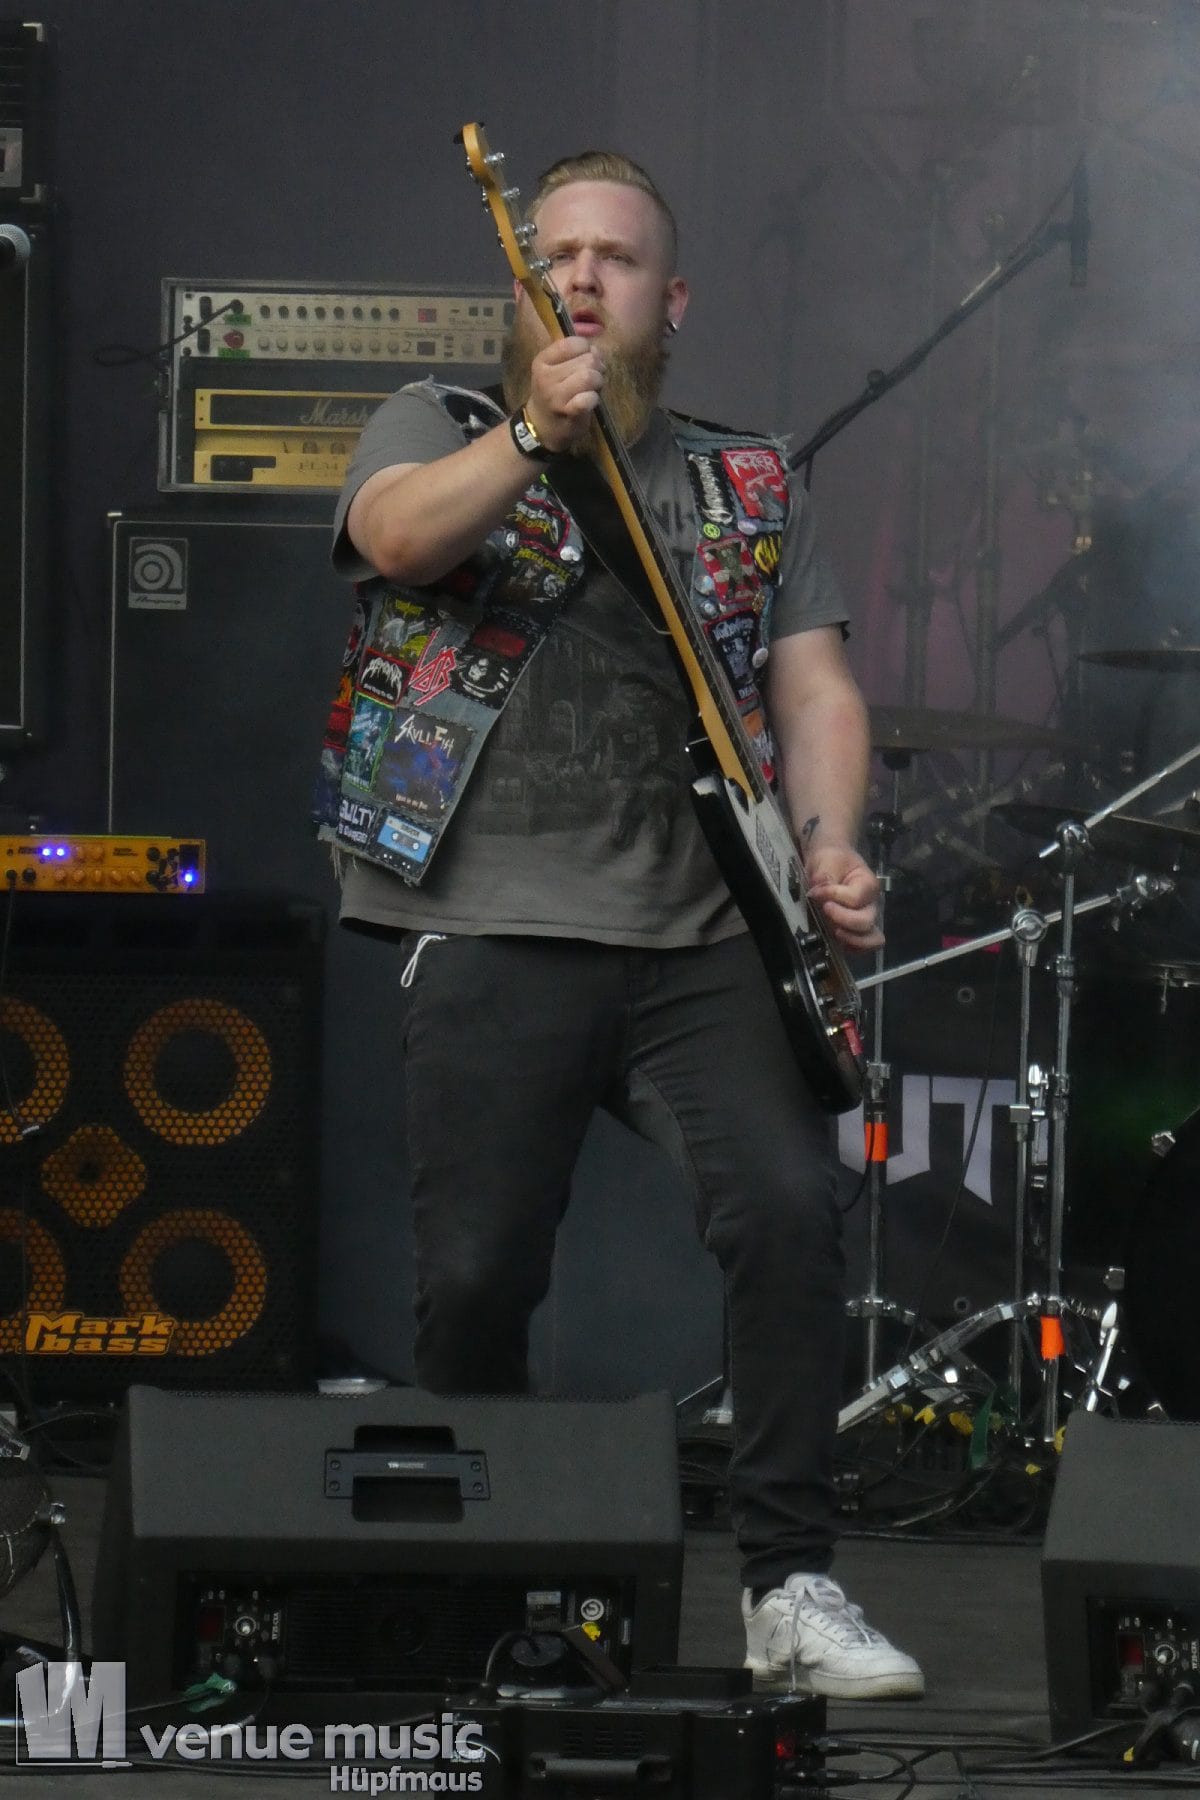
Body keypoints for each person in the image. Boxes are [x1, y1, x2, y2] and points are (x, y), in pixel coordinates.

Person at [319, 150, 924, 1701]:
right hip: (494, 919)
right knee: (476, 1275)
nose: (584, 277)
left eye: (619, 257)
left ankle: (788, 1584)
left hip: (703, 935)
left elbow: (815, 687)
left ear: (673, 299)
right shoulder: (441, 425)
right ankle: (485, 1583)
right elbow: (400, 540)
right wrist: (536, 436)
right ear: (522, 287)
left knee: (787, 1209)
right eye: (559, 254)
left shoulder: (747, 479)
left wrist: (831, 845)